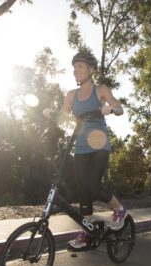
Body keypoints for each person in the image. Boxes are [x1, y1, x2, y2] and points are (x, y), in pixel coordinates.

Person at [60, 51, 127, 250]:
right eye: (74, 67)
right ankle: (86, 231)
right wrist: (51, 114)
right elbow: (63, 116)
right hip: (80, 146)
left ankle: (119, 209)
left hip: (99, 144)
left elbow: (120, 108)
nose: (76, 70)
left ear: (91, 69)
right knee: (83, 190)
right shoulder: (71, 95)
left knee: (93, 185)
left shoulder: (101, 90)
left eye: (80, 66)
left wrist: (111, 109)